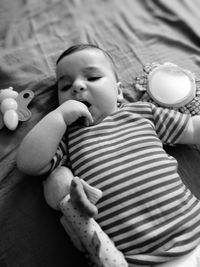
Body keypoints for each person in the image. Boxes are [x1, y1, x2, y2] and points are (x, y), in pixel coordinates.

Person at [16, 43, 200, 266]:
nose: (77, 86)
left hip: (193, 228)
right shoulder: (68, 137)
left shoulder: (142, 113)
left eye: (92, 77)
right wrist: (58, 117)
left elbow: (190, 128)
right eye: (65, 87)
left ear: (119, 91)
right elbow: (28, 163)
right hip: (135, 258)